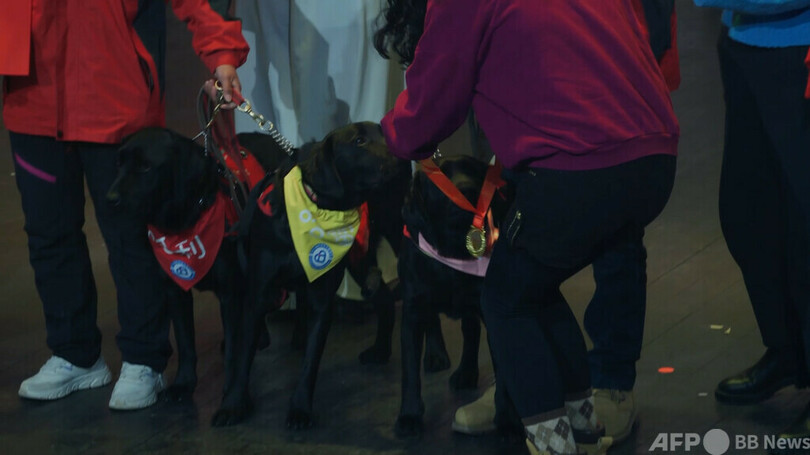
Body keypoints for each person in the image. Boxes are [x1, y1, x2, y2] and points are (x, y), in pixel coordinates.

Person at [376, 0, 679, 454]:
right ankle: (583, 429)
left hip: (580, 166)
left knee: (505, 299)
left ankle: (553, 443)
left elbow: (426, 114)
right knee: (531, 284)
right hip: (653, 157)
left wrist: (388, 138)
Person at [0, 0, 248, 410]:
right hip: (32, 99)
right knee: (48, 233)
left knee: (130, 237)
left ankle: (144, 359)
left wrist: (221, 54)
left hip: (114, 94)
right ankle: (75, 354)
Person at [691, 1, 810, 452]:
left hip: (799, 48)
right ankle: (789, 351)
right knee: (750, 217)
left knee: (804, 225)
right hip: (743, 38)